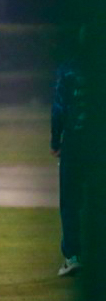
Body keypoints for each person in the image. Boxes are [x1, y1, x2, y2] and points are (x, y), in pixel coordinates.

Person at [51, 30, 87, 277]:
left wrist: (56, 141)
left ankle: (72, 256)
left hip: (75, 141)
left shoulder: (69, 70)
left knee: (71, 201)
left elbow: (59, 108)